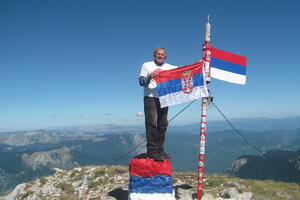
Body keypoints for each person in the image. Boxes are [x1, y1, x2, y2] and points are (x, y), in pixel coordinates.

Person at [138, 47, 177, 161]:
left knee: (163, 123)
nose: (160, 56)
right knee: (152, 123)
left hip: (164, 97)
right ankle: (151, 151)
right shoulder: (147, 65)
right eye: (158, 54)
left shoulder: (169, 67)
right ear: (154, 54)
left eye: (162, 55)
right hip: (150, 97)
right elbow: (141, 82)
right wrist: (150, 77)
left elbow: (185, 71)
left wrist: (199, 64)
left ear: (165, 57)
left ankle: (160, 149)